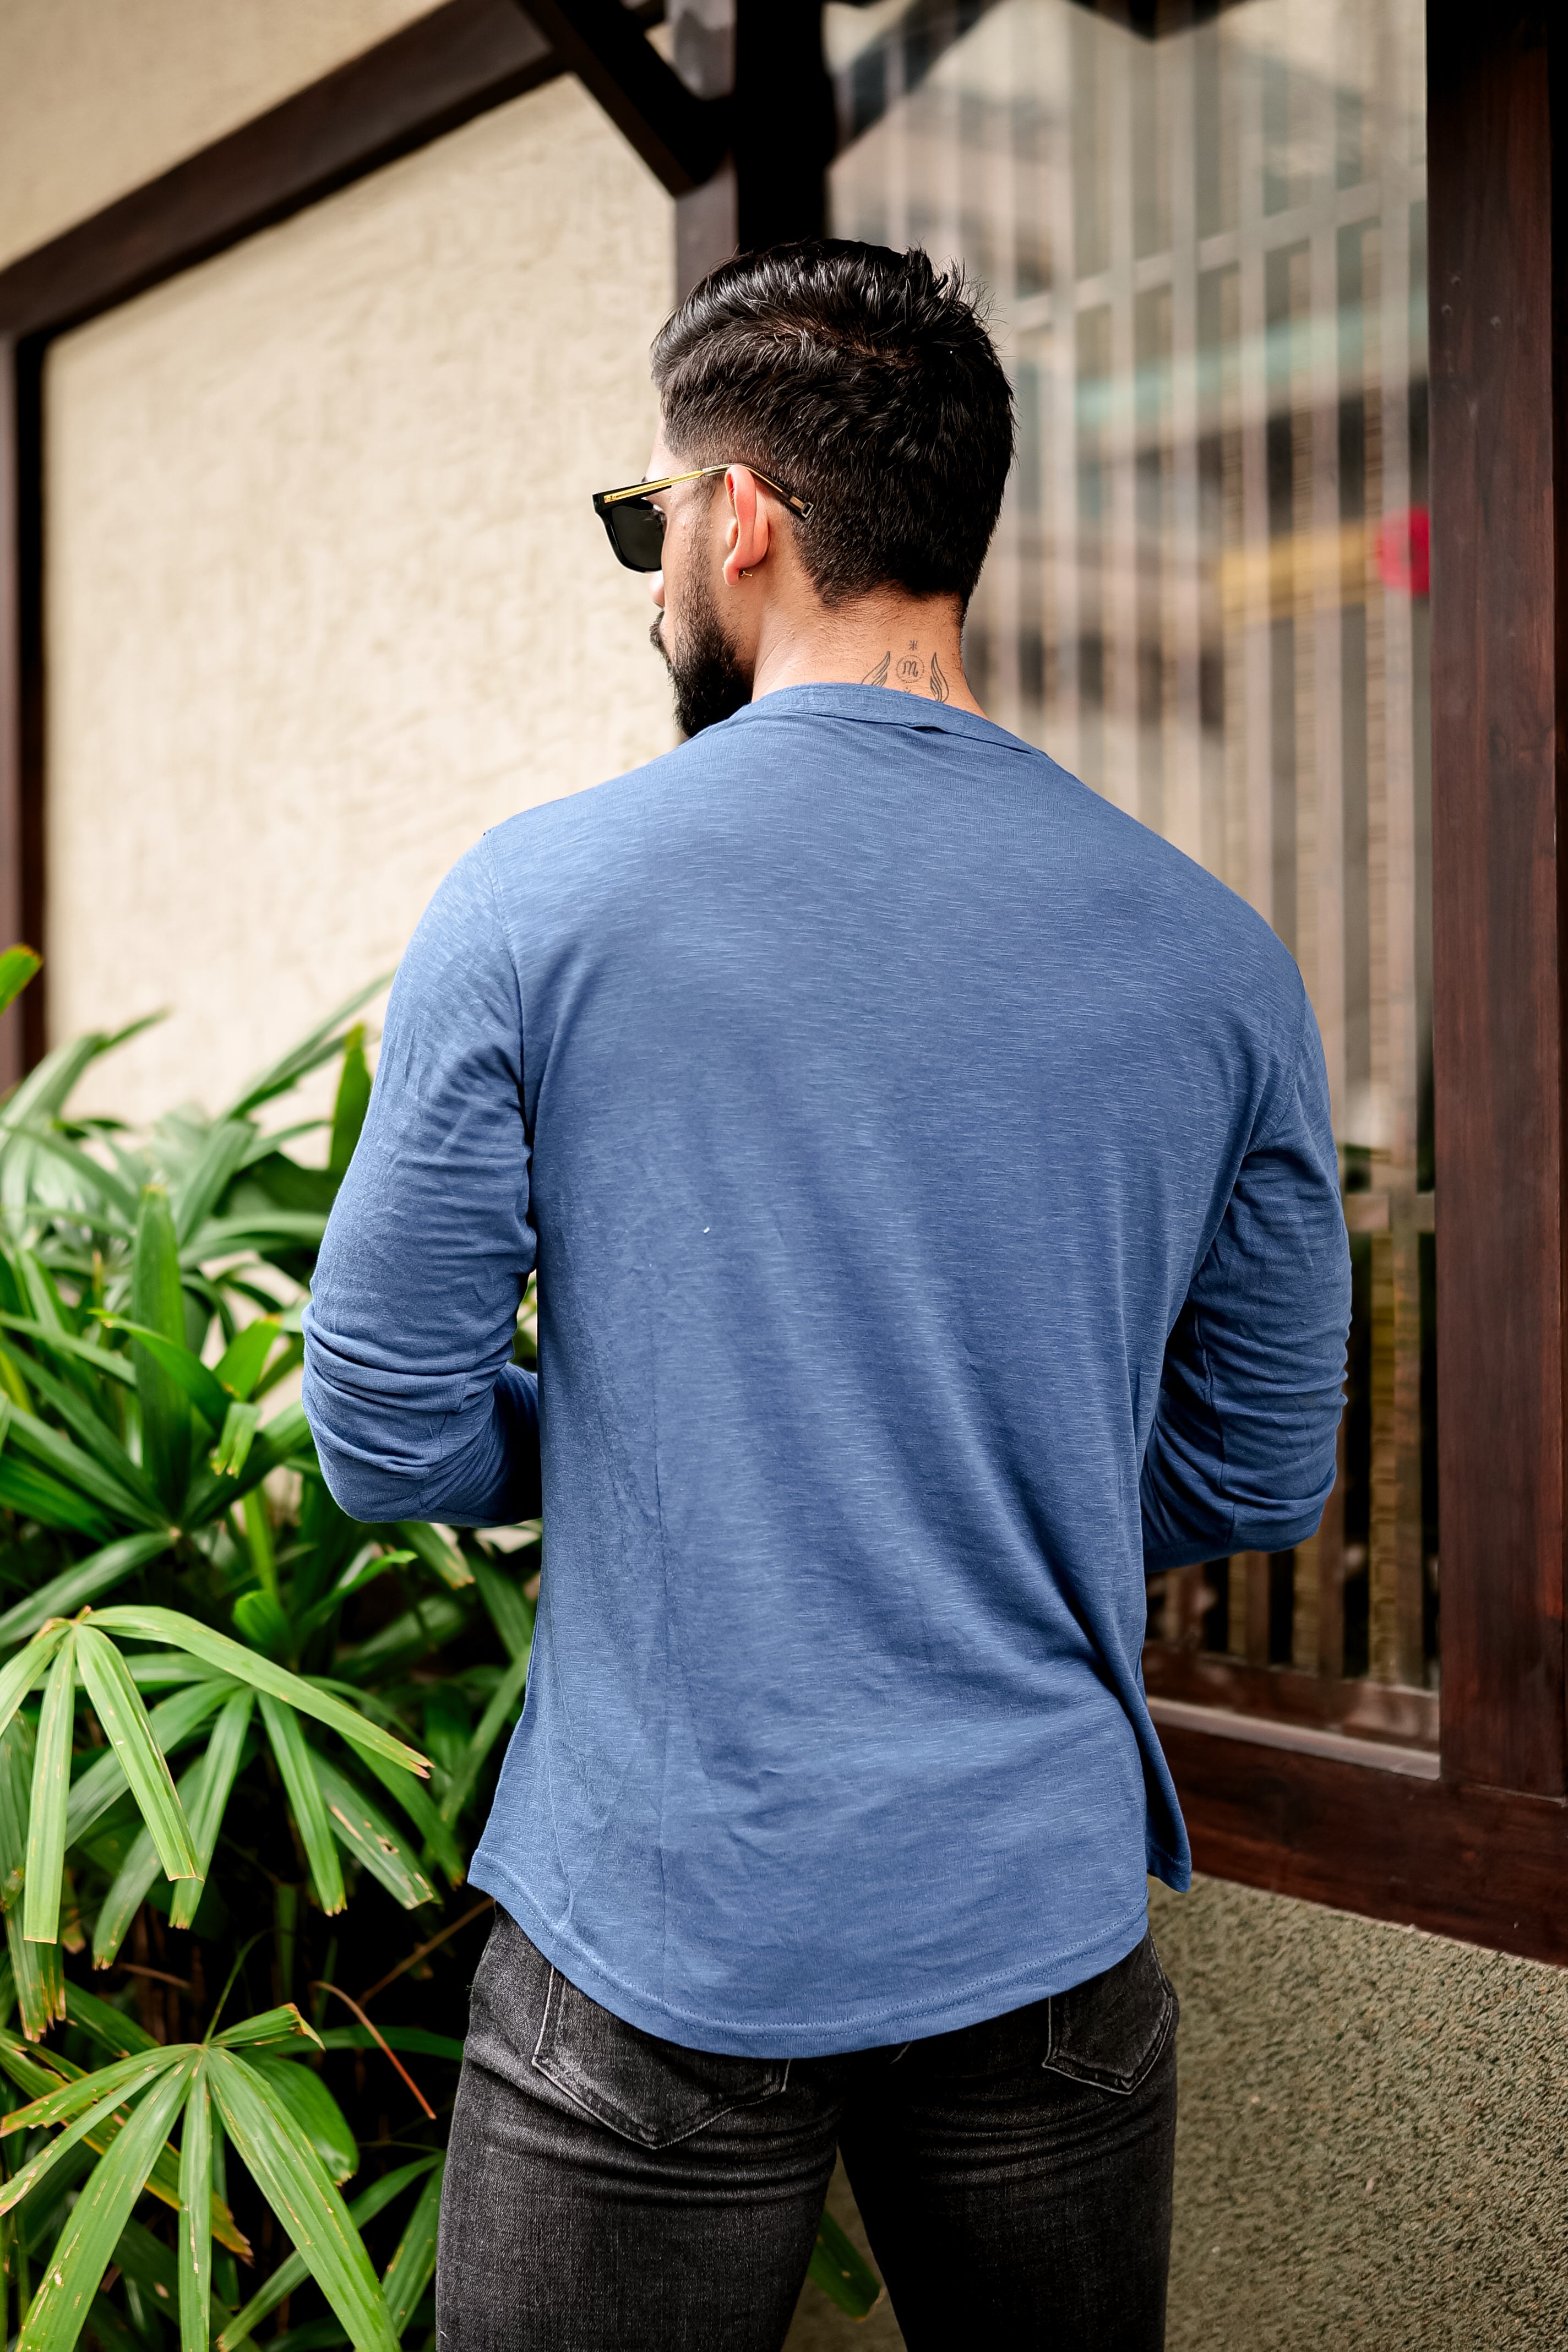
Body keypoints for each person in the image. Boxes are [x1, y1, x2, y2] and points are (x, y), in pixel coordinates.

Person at [302, 241, 1349, 2352]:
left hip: (661, 1916)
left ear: (744, 517)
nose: (653, 568)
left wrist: (637, 1462)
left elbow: (385, 1425)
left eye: (650, 518)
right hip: (1040, 1937)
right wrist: (993, 1491)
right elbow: (1260, 1466)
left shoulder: (541, 904)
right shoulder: (1216, 953)